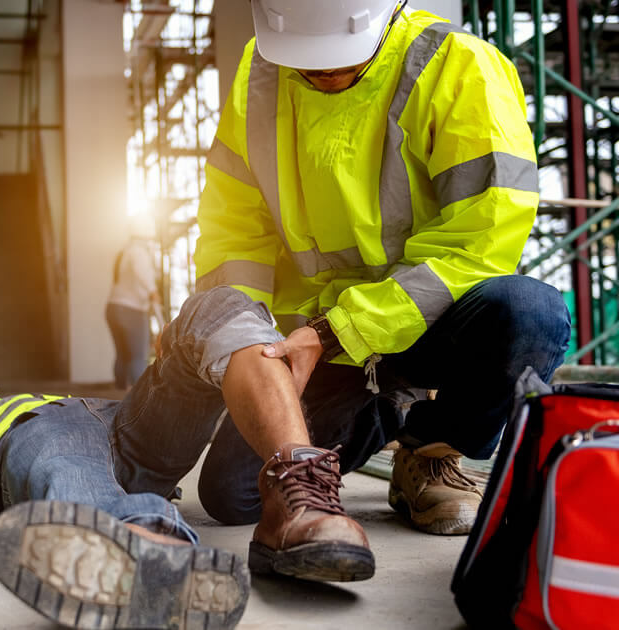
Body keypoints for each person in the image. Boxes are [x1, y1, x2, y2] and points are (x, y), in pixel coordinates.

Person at [160, 0, 570, 579]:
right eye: (306, 61)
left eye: (339, 59)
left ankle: (433, 454)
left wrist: (335, 334)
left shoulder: (457, 66)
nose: (322, 73)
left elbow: (477, 243)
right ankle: (387, 409)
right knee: (235, 497)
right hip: (312, 337)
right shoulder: (260, 74)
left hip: (426, 323)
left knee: (531, 313)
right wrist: (251, 343)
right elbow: (235, 231)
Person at [0, 371, 250, 630]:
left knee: (194, 343)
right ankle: (151, 550)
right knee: (66, 465)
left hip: (112, 423)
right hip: (47, 437)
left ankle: (148, 554)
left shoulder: (26, 399)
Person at [106, 232, 160, 389]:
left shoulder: (125, 250)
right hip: (131, 309)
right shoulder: (138, 251)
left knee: (122, 355)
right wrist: (153, 291)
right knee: (138, 357)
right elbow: (142, 271)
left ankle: (118, 394)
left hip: (113, 308)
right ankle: (142, 399)